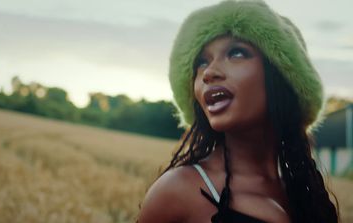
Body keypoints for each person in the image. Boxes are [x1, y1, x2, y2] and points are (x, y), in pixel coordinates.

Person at [137, 0, 339, 223]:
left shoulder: (306, 196)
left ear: (282, 77)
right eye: (202, 62)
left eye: (237, 53)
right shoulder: (177, 190)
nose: (209, 73)